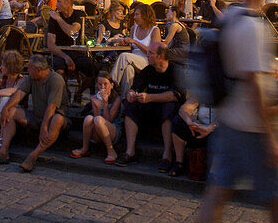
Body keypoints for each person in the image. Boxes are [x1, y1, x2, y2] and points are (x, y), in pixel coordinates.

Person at [198, 0, 278, 223]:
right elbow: (255, 84)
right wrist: (271, 139)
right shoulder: (252, 26)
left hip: (228, 118)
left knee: (217, 193)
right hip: (254, 126)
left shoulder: (230, 17)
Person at [0, 54, 68, 173]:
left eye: (29, 68)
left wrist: (44, 127)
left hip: (54, 117)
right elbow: (20, 93)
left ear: (38, 70)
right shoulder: (32, 78)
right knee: (12, 112)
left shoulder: (56, 80)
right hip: (36, 116)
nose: (27, 70)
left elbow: (52, 107)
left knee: (57, 119)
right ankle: (3, 152)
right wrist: (6, 108)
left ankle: (33, 156)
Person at [116, 42, 185, 170]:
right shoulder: (148, 70)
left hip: (167, 110)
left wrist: (150, 98)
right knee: (130, 106)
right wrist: (131, 94)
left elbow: (175, 95)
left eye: (151, 53)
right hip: (150, 109)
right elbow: (135, 87)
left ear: (161, 56)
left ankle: (167, 155)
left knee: (168, 108)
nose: (147, 55)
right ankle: (130, 151)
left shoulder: (175, 71)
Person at [109, 3, 161, 97]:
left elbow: (154, 52)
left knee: (124, 56)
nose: (135, 17)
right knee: (128, 70)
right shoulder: (134, 28)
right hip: (132, 59)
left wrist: (136, 42)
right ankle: (125, 100)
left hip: (148, 60)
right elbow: (130, 46)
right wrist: (123, 41)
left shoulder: (154, 30)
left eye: (137, 14)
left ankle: (110, 85)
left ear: (145, 15)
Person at [70, 75, 122, 163]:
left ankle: (111, 151)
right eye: (100, 84)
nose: (103, 87)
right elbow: (96, 118)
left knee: (98, 119)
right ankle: (85, 148)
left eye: (105, 84)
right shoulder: (95, 98)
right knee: (89, 118)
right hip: (99, 130)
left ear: (111, 85)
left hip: (113, 130)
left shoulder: (116, 100)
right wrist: (97, 106)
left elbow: (109, 121)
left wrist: (105, 104)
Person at [47, 0, 96, 82]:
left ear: (68, 3)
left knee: (90, 67)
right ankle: (65, 93)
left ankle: (80, 93)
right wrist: (66, 57)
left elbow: (72, 32)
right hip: (60, 53)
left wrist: (59, 19)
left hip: (77, 52)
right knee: (59, 71)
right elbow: (50, 44)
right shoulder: (53, 18)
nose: (56, 5)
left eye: (59, 2)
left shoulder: (78, 14)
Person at [170, 97, 216, 178]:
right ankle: (179, 163)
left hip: (217, 132)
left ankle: (214, 171)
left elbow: (229, 117)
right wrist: (189, 122)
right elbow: (183, 110)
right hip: (200, 130)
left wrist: (210, 129)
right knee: (177, 121)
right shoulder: (204, 93)